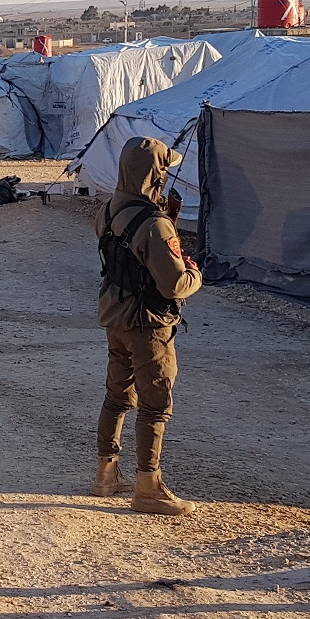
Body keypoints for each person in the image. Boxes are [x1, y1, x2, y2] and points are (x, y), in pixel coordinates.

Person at [92, 136, 203, 516]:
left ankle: (106, 476)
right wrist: (194, 273)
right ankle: (148, 486)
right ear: (154, 173)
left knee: (117, 396)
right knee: (155, 405)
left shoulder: (107, 209)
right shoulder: (156, 225)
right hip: (148, 323)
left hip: (115, 315)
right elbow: (173, 284)